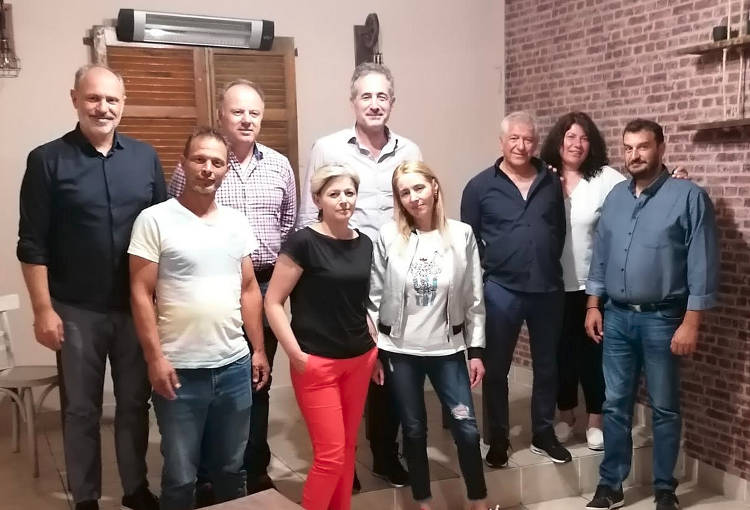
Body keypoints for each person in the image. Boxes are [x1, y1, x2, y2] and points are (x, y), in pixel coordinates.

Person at [16, 64, 164, 510]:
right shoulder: (47, 160)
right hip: (75, 309)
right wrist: (43, 310)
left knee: (134, 403)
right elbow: (32, 243)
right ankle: (86, 496)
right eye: (94, 98)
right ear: (75, 99)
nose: (103, 108)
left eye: (112, 99)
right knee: (81, 409)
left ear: (123, 104)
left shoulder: (145, 158)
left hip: (135, 307)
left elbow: (164, 232)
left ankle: (135, 489)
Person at [168, 78, 295, 498]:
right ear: (221, 115)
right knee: (209, 382)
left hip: (265, 285)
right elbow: (177, 220)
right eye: (237, 111)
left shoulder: (279, 166)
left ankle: (252, 468)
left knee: (257, 380)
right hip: (211, 286)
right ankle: (207, 474)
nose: (246, 119)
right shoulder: (197, 166)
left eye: (253, 112)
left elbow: (288, 224)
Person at [584, 119, 718, 510]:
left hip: (663, 320)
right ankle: (610, 484)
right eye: (628, 148)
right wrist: (593, 304)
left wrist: (691, 322)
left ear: (661, 147)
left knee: (664, 407)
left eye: (642, 147)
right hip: (616, 317)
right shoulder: (616, 198)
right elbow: (601, 254)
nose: (634, 155)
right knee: (614, 403)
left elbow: (702, 263)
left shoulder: (688, 196)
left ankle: (664, 489)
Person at [297, 62, 420, 488]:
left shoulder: (409, 151)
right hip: (340, 274)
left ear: (392, 102)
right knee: (341, 367)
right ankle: (341, 463)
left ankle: (385, 454)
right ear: (352, 101)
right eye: (366, 95)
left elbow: (417, 210)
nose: (374, 103)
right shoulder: (328, 148)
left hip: (392, 276)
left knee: (387, 366)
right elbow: (307, 216)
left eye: (382, 96)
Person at [129, 127, 266, 509]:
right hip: (179, 371)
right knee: (180, 478)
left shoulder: (236, 222)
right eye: (200, 159)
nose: (208, 168)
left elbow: (249, 288)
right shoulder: (154, 220)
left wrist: (258, 349)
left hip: (233, 367)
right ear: (183, 163)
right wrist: (155, 358)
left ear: (226, 170)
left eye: (217, 162)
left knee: (231, 471)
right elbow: (140, 293)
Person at [369, 161, 488, 510]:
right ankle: (423, 502)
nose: (414, 197)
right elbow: (374, 298)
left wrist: (476, 350)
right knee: (414, 429)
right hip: (399, 350)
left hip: (447, 349)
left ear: (434, 187)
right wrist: (375, 353)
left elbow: (474, 296)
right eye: (405, 192)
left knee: (466, 427)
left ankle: (478, 501)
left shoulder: (462, 234)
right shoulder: (388, 236)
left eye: (419, 188)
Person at [461, 111, 572, 467]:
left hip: (547, 289)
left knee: (548, 365)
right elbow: (469, 242)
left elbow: (558, 230)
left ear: (535, 143)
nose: (521, 145)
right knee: (496, 369)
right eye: (514, 138)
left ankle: (543, 432)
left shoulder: (551, 182)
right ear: (502, 142)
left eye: (528, 139)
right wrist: (487, 277)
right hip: (501, 290)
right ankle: (498, 438)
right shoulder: (479, 187)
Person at [266, 163, 377, 510]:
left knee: (348, 449)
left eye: (349, 193)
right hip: (317, 364)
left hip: (360, 359)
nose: (344, 200)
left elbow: (359, 300)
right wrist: (295, 354)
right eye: (334, 194)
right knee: (330, 455)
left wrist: (374, 341)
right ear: (317, 199)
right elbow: (272, 302)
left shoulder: (364, 243)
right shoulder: (303, 241)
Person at [539, 112, 626, 451]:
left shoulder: (605, 178)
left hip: (592, 286)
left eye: (584, 138)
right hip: (551, 284)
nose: (577, 144)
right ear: (559, 141)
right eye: (570, 136)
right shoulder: (543, 176)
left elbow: (640, 190)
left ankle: (595, 420)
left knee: (593, 354)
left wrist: (674, 176)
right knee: (559, 354)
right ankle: (565, 414)